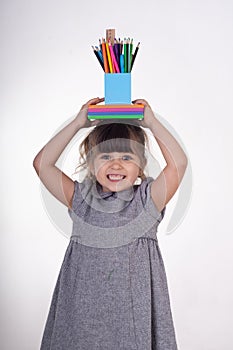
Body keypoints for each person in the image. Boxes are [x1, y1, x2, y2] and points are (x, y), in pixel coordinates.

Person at [33, 97, 188, 350]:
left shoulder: (147, 201)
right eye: (105, 156)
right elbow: (42, 164)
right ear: (92, 165)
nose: (116, 163)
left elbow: (178, 164)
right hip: (81, 318)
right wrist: (77, 123)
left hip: (133, 320)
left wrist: (151, 122)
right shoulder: (81, 200)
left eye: (127, 157)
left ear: (140, 167)